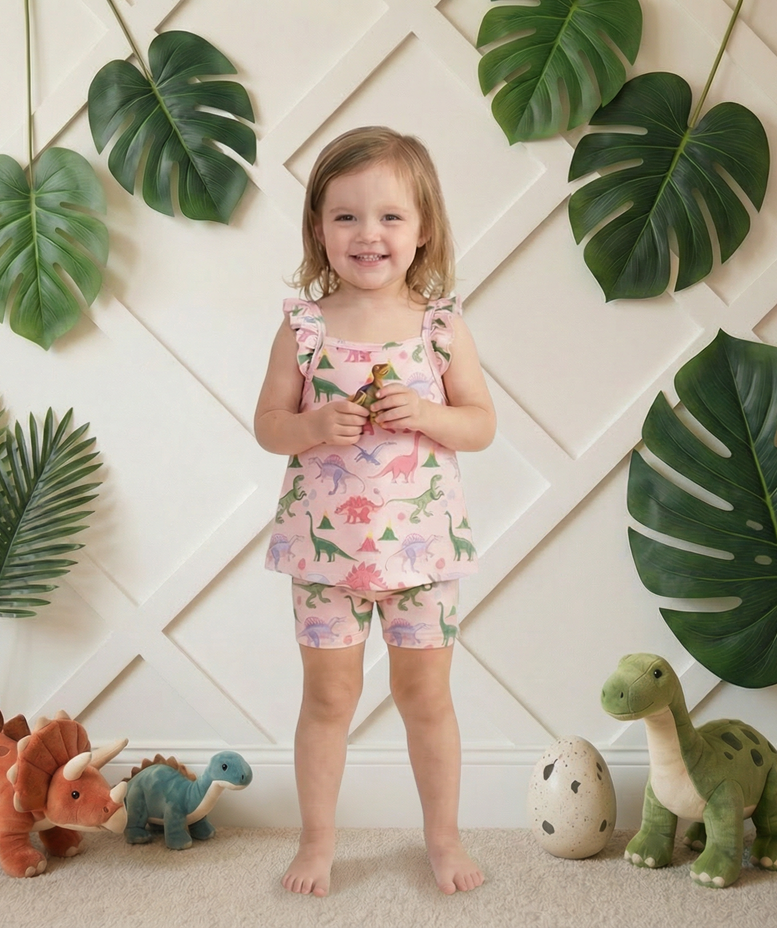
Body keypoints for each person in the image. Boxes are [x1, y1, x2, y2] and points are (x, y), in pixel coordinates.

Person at [254, 126, 496, 897]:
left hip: (423, 552)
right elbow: (268, 426)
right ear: (318, 228)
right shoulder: (304, 328)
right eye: (346, 216)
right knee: (329, 698)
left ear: (423, 228)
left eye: (390, 216)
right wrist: (313, 427)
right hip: (325, 554)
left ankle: (443, 841)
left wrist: (426, 414)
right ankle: (317, 842)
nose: (368, 234)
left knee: (426, 697)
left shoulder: (440, 327)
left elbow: (480, 425)